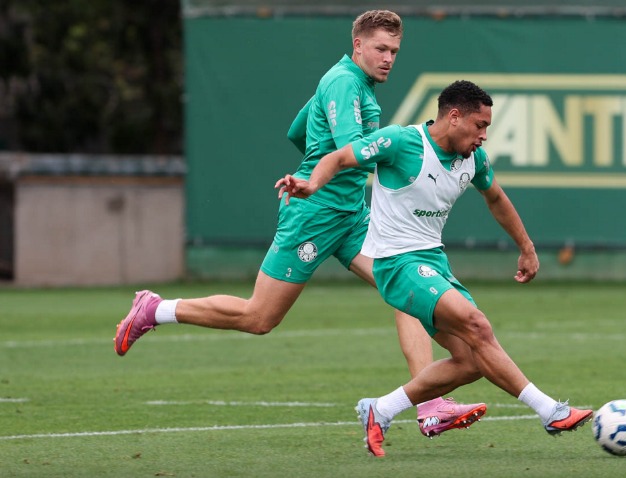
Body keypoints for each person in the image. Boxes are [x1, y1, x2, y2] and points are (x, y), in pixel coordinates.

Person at [113, 10, 486, 439]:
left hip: (352, 214)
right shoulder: (344, 82)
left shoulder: (353, 83)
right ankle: (155, 309)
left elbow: (297, 130)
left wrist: (321, 157)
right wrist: (386, 155)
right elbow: (350, 148)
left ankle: (431, 405)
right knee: (259, 317)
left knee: (407, 290)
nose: (388, 59)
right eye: (381, 49)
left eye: (395, 51)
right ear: (358, 45)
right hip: (315, 213)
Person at [278, 80, 593, 457]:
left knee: (472, 361)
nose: (484, 136)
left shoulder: (474, 159)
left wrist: (527, 248)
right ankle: (551, 412)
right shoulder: (400, 142)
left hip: (434, 264)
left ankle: (382, 408)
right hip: (397, 264)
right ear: (454, 116)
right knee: (478, 325)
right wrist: (311, 184)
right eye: (480, 125)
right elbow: (340, 157)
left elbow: (496, 198)